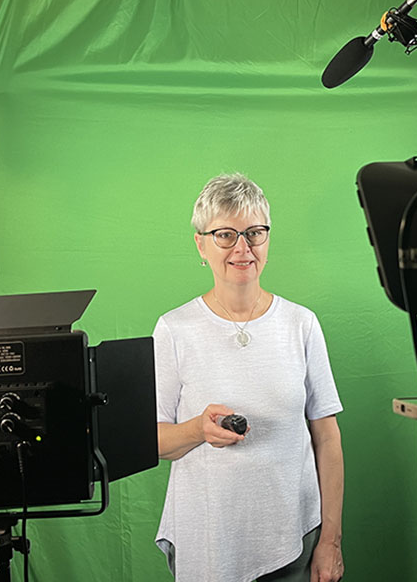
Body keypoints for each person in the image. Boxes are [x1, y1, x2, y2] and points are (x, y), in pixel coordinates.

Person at [153, 173, 344, 582]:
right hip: (207, 540)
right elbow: (154, 440)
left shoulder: (301, 324)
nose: (243, 248)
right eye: (225, 235)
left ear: (267, 239)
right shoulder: (173, 329)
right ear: (201, 244)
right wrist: (198, 430)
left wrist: (331, 540)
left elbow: (326, 436)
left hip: (293, 537)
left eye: (254, 233)